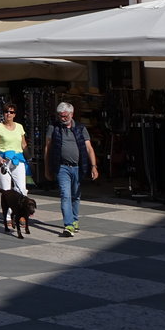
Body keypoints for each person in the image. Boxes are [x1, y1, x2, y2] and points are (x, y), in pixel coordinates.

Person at [44, 101, 99, 237]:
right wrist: (47, 168)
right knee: (65, 195)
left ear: (71, 114)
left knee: (76, 196)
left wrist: (94, 166)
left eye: (65, 116)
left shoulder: (80, 128)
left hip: (78, 167)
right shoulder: (54, 127)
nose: (62, 118)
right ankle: (68, 225)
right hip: (62, 167)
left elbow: (89, 148)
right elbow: (47, 148)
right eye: (60, 116)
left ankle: (74, 220)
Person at [0, 103, 29, 229]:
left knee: (21, 189)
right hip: (4, 160)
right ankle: (8, 217)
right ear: (3, 113)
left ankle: (21, 213)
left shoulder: (19, 127)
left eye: (11, 112)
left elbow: (23, 144)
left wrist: (29, 156)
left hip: (18, 159)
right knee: (6, 190)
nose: (9, 114)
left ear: (15, 114)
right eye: (7, 111)